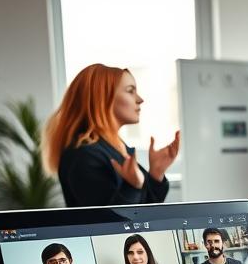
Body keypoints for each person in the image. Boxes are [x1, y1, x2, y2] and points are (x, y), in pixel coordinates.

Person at [44, 64, 180, 207]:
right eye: (130, 91)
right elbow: (106, 219)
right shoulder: (83, 155)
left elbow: (147, 210)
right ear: (102, 98)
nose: (140, 99)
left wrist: (156, 174)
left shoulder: (115, 147)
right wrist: (131, 187)